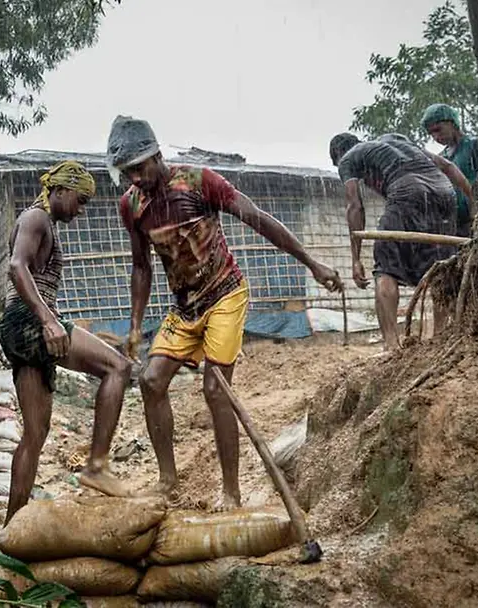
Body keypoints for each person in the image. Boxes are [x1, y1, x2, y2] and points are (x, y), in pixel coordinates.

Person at [107, 115, 343, 510]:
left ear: (157, 155)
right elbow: (141, 266)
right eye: (127, 172)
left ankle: (230, 492)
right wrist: (134, 324)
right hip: (184, 307)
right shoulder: (131, 205)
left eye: (139, 168)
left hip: (224, 295)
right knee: (150, 381)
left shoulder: (200, 182)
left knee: (217, 390)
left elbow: (258, 219)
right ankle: (168, 481)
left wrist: (311, 263)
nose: (135, 178)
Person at [0, 160, 133, 524]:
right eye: (80, 200)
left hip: (20, 327)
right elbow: (16, 266)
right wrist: (49, 320)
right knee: (118, 367)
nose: (82, 209)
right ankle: (97, 466)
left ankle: (13, 526)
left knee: (35, 434)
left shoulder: (43, 223)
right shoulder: (36, 218)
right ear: (59, 191)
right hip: (29, 322)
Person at [329, 131, 474, 351]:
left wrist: (356, 258)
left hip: (406, 190)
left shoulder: (348, 158)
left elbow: (355, 205)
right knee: (440, 269)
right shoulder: (397, 139)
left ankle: (391, 345)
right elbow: (447, 166)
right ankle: (440, 339)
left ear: (338, 155)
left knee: (385, 270)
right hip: (445, 193)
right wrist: (475, 198)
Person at [421, 103, 478, 237]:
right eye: (431, 134)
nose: (436, 137)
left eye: (438, 130)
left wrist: (477, 201)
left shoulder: (475, 145)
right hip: (454, 224)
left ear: (451, 123)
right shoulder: (442, 158)